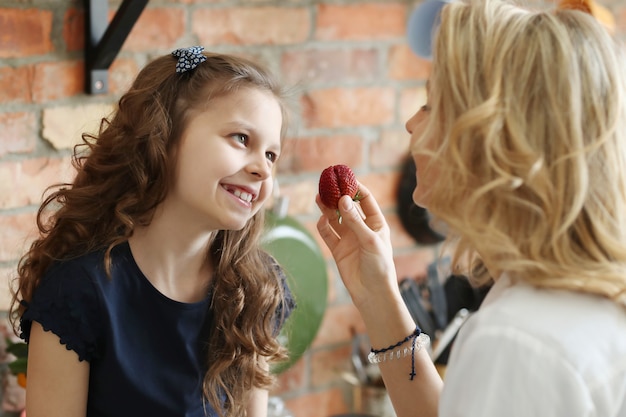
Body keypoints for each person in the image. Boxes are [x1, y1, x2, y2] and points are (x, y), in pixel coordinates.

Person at [316, 0, 626, 416]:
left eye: (430, 104)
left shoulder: (516, 342)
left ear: (489, 142)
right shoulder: (565, 303)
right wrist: (379, 296)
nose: (411, 123)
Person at [9, 46, 295, 417]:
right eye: (241, 138)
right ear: (165, 136)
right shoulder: (77, 293)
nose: (263, 169)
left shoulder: (257, 290)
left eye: (272, 154)